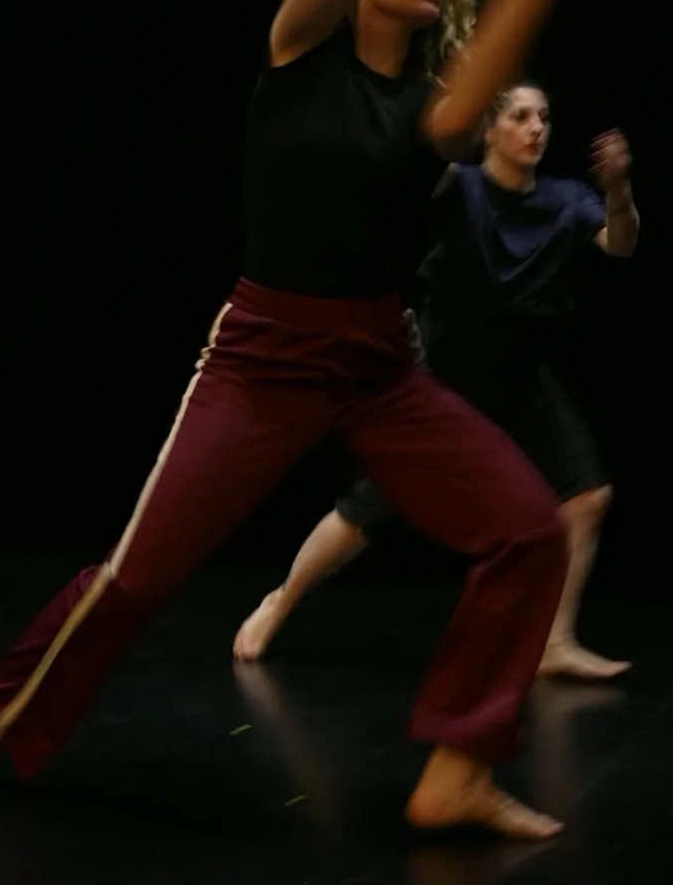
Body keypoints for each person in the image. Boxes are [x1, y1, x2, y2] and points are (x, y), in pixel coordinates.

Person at [0, 0, 656, 839]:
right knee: (139, 576)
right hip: (264, 355)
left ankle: (457, 773)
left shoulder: (434, 99)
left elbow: (473, 69)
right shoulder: (300, 46)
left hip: (380, 365)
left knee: (529, 533)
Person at [233, 84, 640, 681]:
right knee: (370, 509)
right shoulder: (461, 186)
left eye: (545, 117)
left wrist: (618, 189)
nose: (536, 128)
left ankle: (554, 641)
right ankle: (280, 601)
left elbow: (621, 242)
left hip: (522, 375)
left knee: (587, 496)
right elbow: (391, 197)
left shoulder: (565, 200)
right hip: (444, 376)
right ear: (491, 130)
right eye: (521, 116)